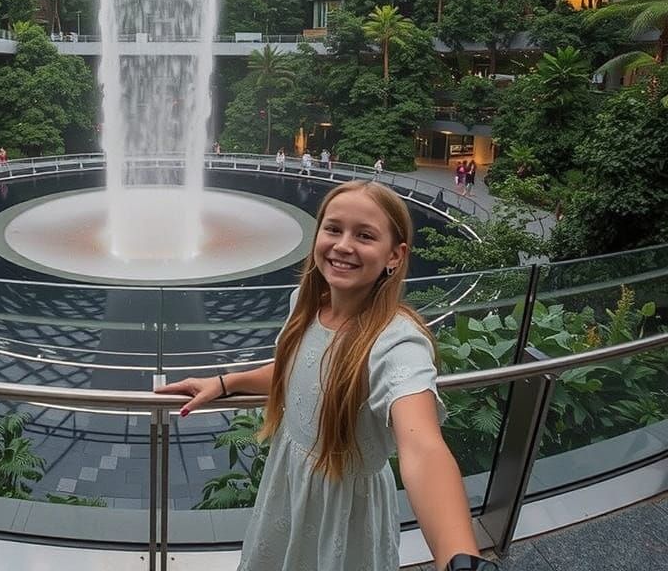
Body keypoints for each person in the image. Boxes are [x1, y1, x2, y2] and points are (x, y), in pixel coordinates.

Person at [157, 181, 486, 571]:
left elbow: (423, 448)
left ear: (394, 256)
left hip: (345, 512)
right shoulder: (305, 304)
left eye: (364, 235)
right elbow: (299, 371)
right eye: (333, 229)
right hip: (287, 486)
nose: (343, 245)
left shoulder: (396, 342)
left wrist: (460, 558)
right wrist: (226, 383)